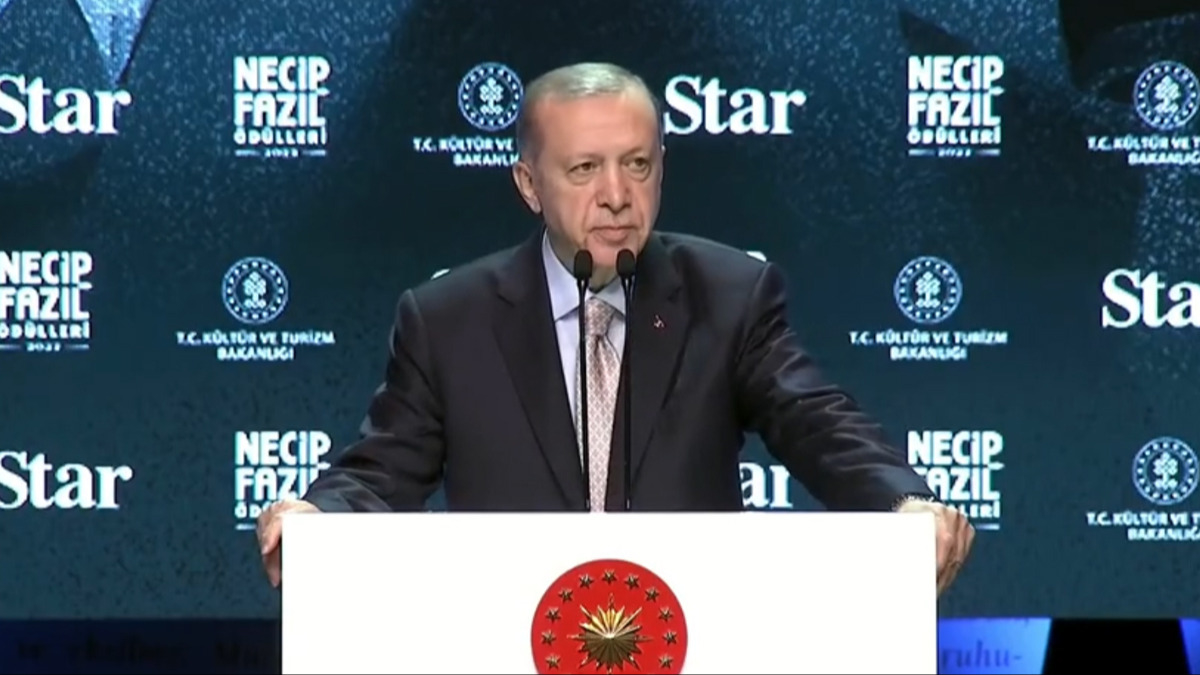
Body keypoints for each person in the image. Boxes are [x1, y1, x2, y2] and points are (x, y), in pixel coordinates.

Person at [256, 62, 974, 592]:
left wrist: (902, 500)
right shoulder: (449, 319)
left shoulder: (729, 295)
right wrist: (318, 515)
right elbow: (385, 468)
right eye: (584, 169)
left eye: (637, 164)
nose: (616, 196)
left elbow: (814, 418)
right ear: (529, 185)